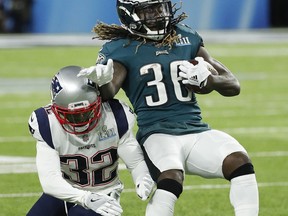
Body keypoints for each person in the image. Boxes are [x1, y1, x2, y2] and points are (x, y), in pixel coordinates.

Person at [78, 0, 259, 215]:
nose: (157, 14)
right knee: (171, 178)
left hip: (196, 130)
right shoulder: (120, 47)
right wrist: (101, 82)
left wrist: (211, 82)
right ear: (130, 15)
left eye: (160, 7)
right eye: (148, 10)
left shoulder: (185, 37)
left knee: (240, 162)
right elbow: (109, 93)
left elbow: (233, 84)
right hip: (157, 134)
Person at [27, 65, 154, 216]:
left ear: (98, 102)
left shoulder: (115, 116)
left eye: (87, 113)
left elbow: (136, 162)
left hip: (103, 194)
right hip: (66, 190)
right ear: (55, 109)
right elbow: (50, 181)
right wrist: (85, 198)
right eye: (72, 115)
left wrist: (143, 177)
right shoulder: (47, 124)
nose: (81, 121)